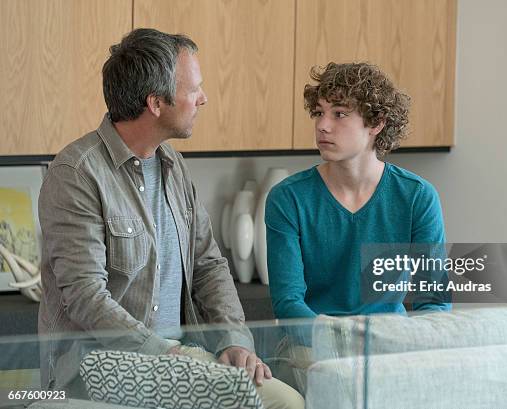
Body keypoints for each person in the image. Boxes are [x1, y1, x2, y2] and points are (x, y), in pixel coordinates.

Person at [37, 28, 303, 409]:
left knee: (284, 401)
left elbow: (208, 265)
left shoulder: (173, 164)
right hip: (103, 368)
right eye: (194, 89)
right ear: (157, 103)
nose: (203, 98)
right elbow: (85, 296)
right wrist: (165, 354)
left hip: (177, 358)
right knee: (281, 404)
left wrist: (234, 341)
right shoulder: (77, 173)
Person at [265, 62, 451, 392]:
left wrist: (399, 346)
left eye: (339, 114)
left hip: (389, 348)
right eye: (319, 112)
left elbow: (434, 301)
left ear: (376, 123)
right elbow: (289, 305)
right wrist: (346, 345)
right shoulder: (287, 198)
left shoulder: (416, 197)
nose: (322, 126)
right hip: (310, 350)